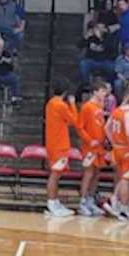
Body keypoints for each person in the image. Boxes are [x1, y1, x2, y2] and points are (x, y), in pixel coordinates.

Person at [43, 79, 80, 217]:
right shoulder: (61, 105)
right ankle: (52, 203)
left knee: (56, 174)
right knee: (55, 175)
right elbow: (74, 121)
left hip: (53, 143)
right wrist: (72, 104)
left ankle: (54, 202)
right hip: (59, 144)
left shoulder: (51, 103)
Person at [76, 80, 112, 217]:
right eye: (102, 91)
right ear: (95, 91)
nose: (105, 94)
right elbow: (80, 127)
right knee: (89, 173)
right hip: (90, 147)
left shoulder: (100, 106)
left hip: (100, 146)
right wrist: (89, 140)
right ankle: (82, 202)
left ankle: (90, 199)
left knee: (97, 174)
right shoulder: (87, 107)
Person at [104, 93, 129, 221]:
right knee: (126, 179)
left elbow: (106, 128)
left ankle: (115, 200)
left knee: (122, 178)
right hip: (126, 149)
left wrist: (113, 142)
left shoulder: (116, 111)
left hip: (117, 148)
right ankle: (123, 208)